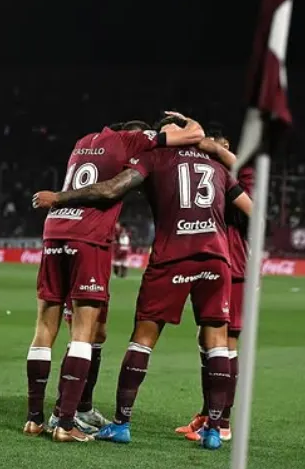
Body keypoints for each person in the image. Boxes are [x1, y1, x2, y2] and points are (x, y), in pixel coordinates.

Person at [32, 116, 252, 450]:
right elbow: (252, 208)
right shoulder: (217, 166)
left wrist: (60, 197)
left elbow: (114, 187)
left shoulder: (153, 157)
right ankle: (215, 430)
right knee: (218, 343)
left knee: (142, 340)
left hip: (172, 255)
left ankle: (120, 424)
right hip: (216, 257)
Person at [174, 130, 254, 442]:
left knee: (225, 344)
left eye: (214, 152)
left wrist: (217, 152)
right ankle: (209, 413)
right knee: (208, 341)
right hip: (211, 266)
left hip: (233, 268)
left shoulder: (240, 179)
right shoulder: (208, 179)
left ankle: (222, 423)